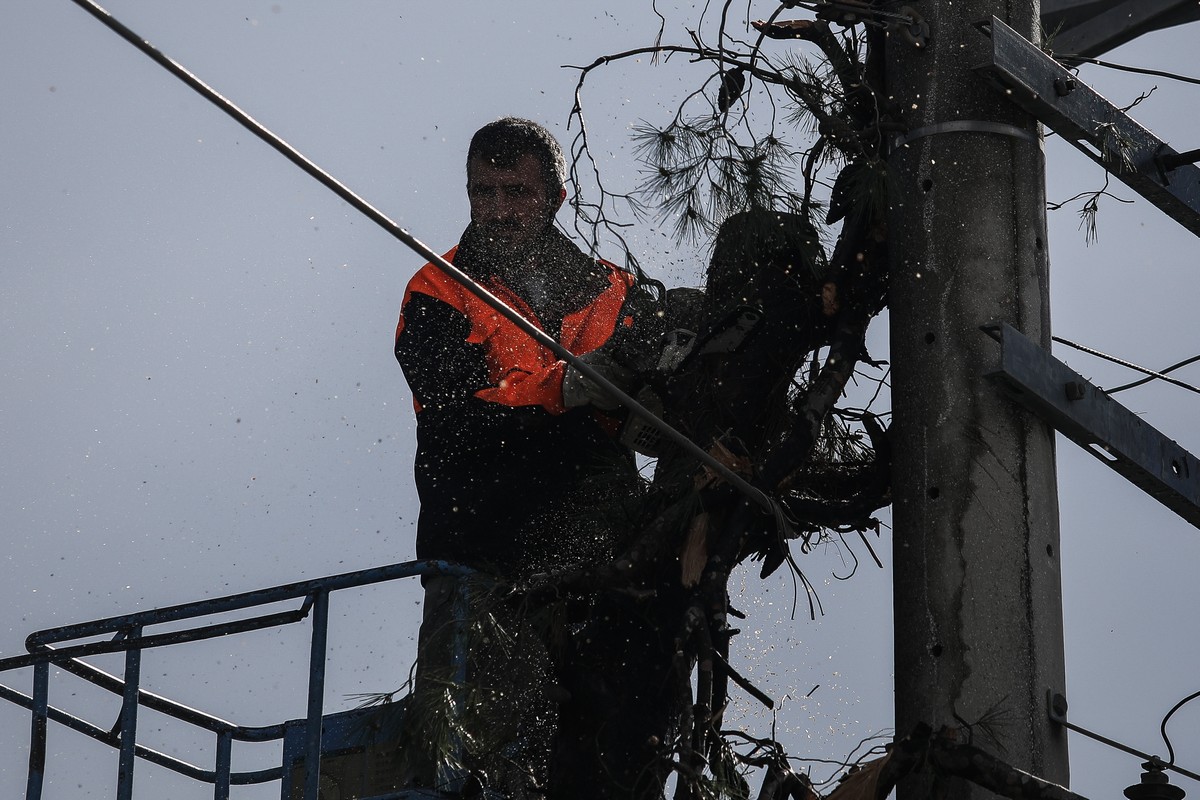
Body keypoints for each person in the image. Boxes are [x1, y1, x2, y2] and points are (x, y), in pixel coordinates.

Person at [393, 117, 663, 798]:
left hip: (599, 547)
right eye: (484, 192)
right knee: (468, 756)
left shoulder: (618, 294)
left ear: (556, 197)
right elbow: (456, 416)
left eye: (517, 192)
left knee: (614, 746)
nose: (500, 210)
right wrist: (569, 389)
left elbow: (655, 411)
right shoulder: (441, 289)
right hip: (480, 545)